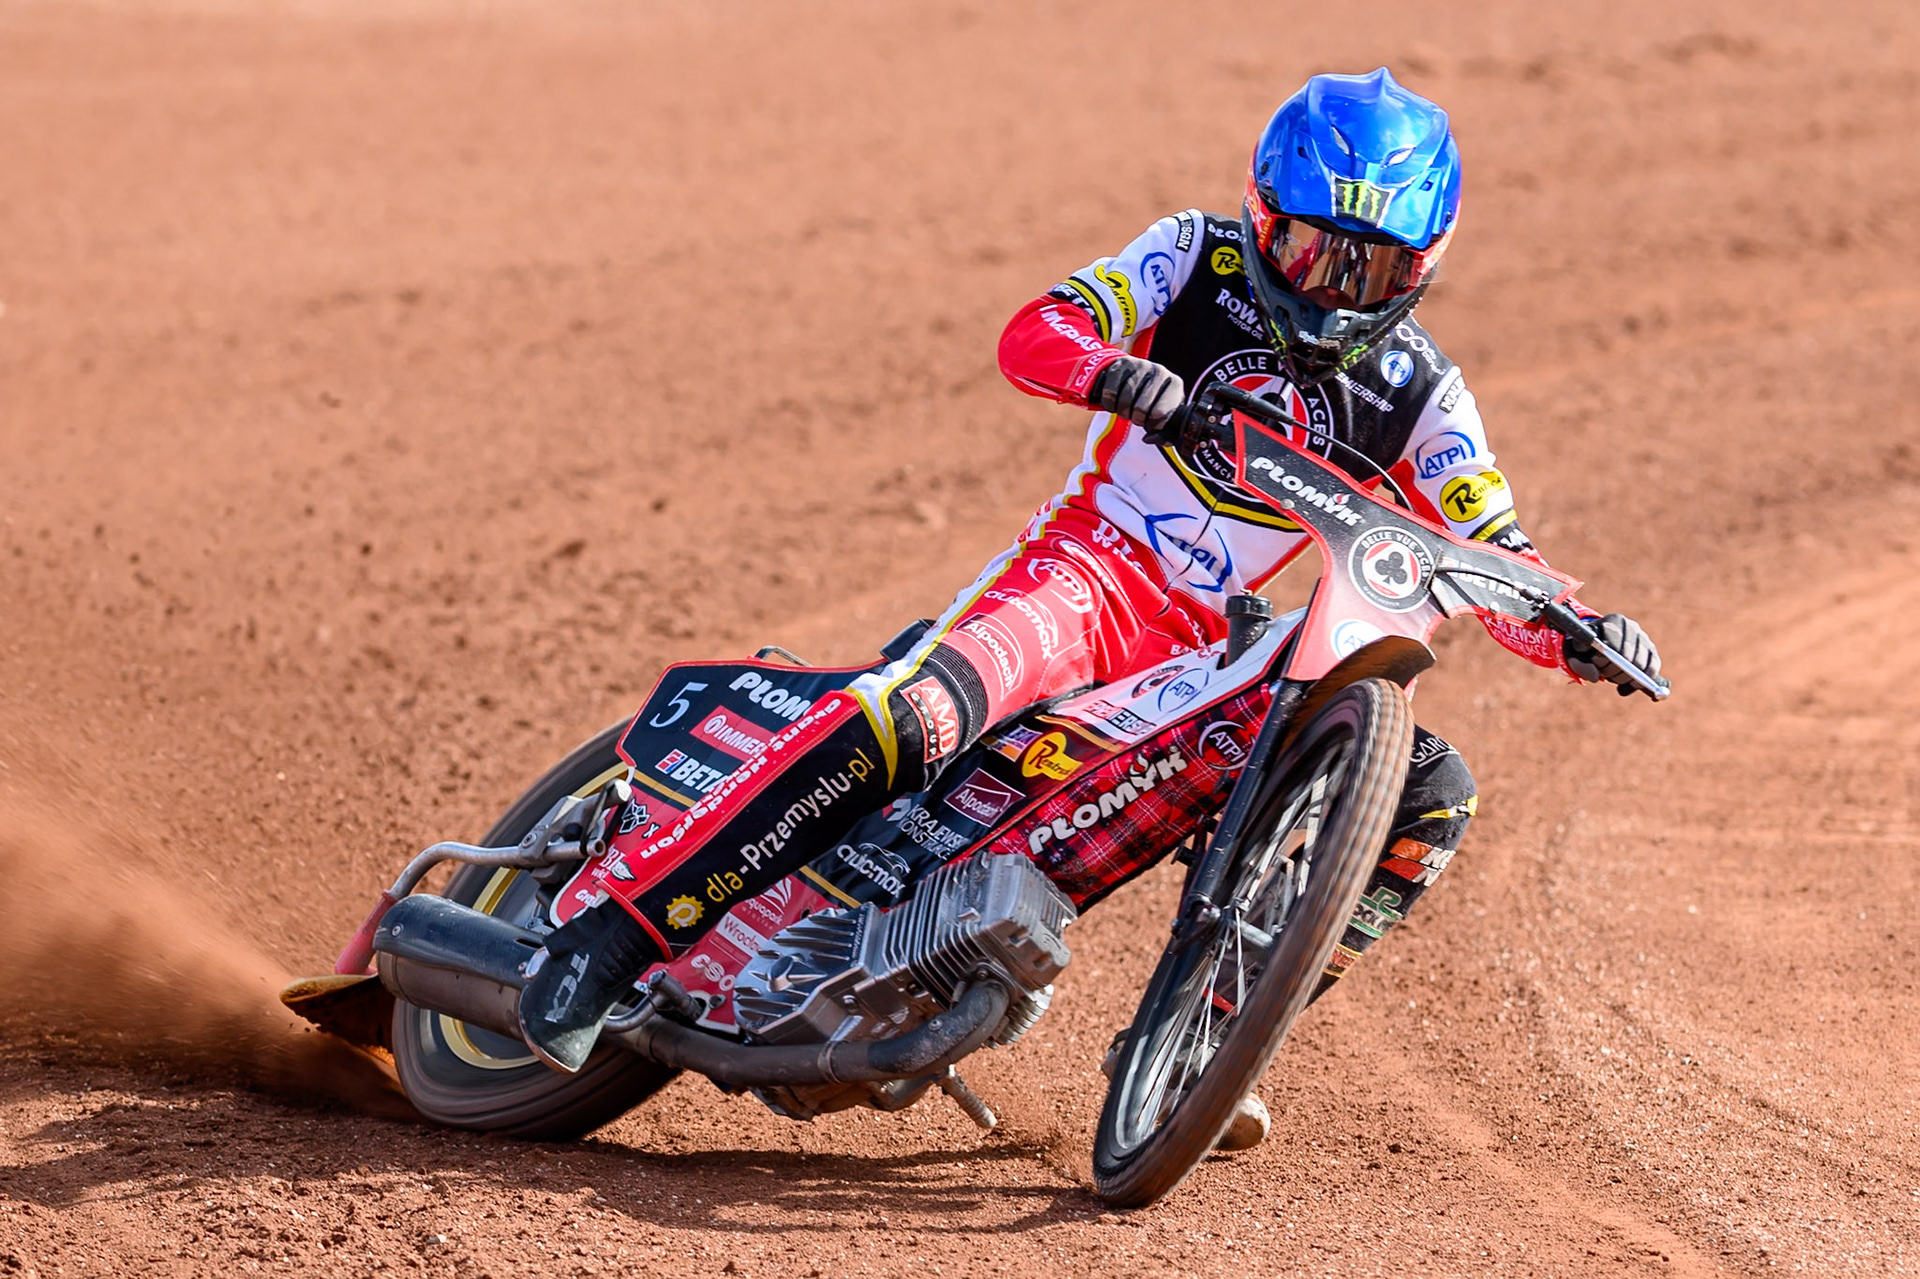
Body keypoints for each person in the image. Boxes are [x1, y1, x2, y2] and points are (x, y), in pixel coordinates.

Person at [516, 66, 1662, 1078]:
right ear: (1263, 219)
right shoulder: (1191, 254)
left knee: (1434, 791)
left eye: (1367, 270)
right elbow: (1039, 332)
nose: (1328, 288)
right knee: (915, 712)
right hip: (1085, 583)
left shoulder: (1427, 394)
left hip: (1222, 652)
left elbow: (1494, 550)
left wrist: (1579, 623)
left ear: (1425, 267)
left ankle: (1220, 1032)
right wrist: (1124, 378)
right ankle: (612, 931)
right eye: (1309, 249)